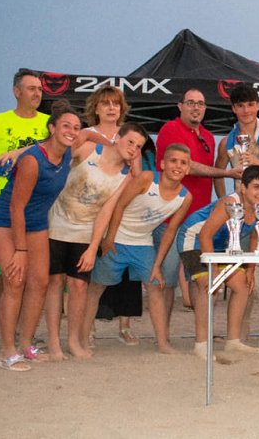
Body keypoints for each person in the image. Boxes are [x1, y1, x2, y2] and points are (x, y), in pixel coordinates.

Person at [0, 104, 81, 371]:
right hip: (5, 221)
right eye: (65, 126)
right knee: (15, 280)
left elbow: (92, 136)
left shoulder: (68, 151)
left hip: (37, 223)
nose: (72, 131)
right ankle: (7, 351)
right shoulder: (32, 160)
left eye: (76, 127)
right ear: (51, 128)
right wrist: (20, 250)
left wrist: (16, 148)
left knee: (39, 283)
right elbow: (16, 208)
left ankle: (26, 344)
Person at [45, 121, 147, 360]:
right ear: (117, 138)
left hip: (84, 233)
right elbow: (55, 158)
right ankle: (53, 343)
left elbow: (106, 211)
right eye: (130, 141)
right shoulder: (89, 149)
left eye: (138, 146)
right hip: (55, 224)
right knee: (55, 284)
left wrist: (93, 247)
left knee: (79, 286)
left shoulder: (125, 177)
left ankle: (74, 340)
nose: (133, 148)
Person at [83, 143, 193, 355]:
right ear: (162, 164)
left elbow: (170, 232)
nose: (177, 166)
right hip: (117, 239)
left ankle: (162, 343)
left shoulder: (185, 197)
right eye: (173, 161)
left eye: (183, 163)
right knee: (96, 287)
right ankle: (85, 334)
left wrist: (158, 265)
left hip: (143, 244)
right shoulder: (147, 179)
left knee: (155, 287)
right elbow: (119, 205)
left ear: (188, 168)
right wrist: (109, 239)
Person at [155, 90, 241, 343]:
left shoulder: (206, 137)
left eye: (201, 104)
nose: (196, 108)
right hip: (171, 218)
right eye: (190, 103)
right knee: (168, 279)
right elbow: (189, 166)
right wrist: (226, 173)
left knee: (201, 279)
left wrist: (222, 204)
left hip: (198, 222)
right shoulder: (170, 129)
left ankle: (202, 336)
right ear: (180, 105)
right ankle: (164, 337)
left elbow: (212, 174)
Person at [0, 69, 50, 355]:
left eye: (40, 89)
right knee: (0, 275)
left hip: (36, 212)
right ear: (16, 91)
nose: (36, 93)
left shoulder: (48, 124)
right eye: (31, 88)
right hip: (3, 210)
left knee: (32, 276)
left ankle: (23, 333)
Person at [214, 84, 259, 342]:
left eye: (250, 104)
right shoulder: (227, 141)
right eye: (240, 105)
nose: (246, 110)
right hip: (242, 217)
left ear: (258, 105)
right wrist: (225, 201)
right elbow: (219, 170)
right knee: (242, 270)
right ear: (233, 108)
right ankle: (241, 330)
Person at [178, 165, 259, 358]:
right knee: (208, 286)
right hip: (195, 239)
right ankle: (201, 344)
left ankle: (233, 341)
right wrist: (212, 270)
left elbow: (256, 238)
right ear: (243, 188)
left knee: (242, 286)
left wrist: (251, 270)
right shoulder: (230, 203)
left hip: (222, 245)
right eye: (256, 187)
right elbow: (205, 235)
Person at [84, 86, 143, 347]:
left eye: (116, 104)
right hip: (89, 211)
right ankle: (89, 328)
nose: (111, 108)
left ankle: (125, 326)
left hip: (122, 211)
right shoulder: (86, 135)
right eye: (105, 103)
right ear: (96, 107)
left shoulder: (129, 136)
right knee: (90, 272)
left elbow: (138, 176)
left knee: (125, 271)